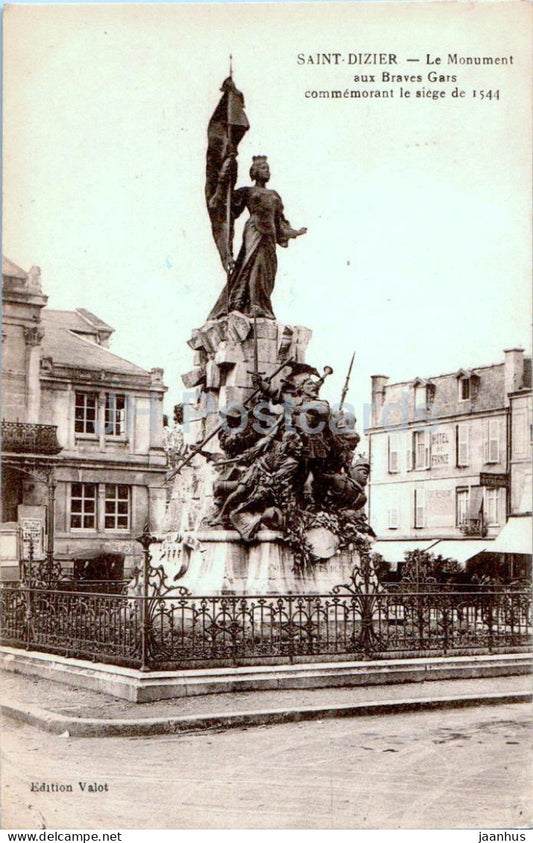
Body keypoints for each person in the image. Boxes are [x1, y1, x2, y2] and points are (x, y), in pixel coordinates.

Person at [208, 155, 306, 320]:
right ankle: (253, 304)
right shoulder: (248, 191)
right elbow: (227, 204)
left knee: (267, 269)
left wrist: (295, 232)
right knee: (255, 265)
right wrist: (224, 178)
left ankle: (261, 305)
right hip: (255, 231)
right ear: (254, 172)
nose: (267, 171)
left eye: (268, 168)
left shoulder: (274, 195)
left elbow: (279, 221)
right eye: (263, 168)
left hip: (270, 235)